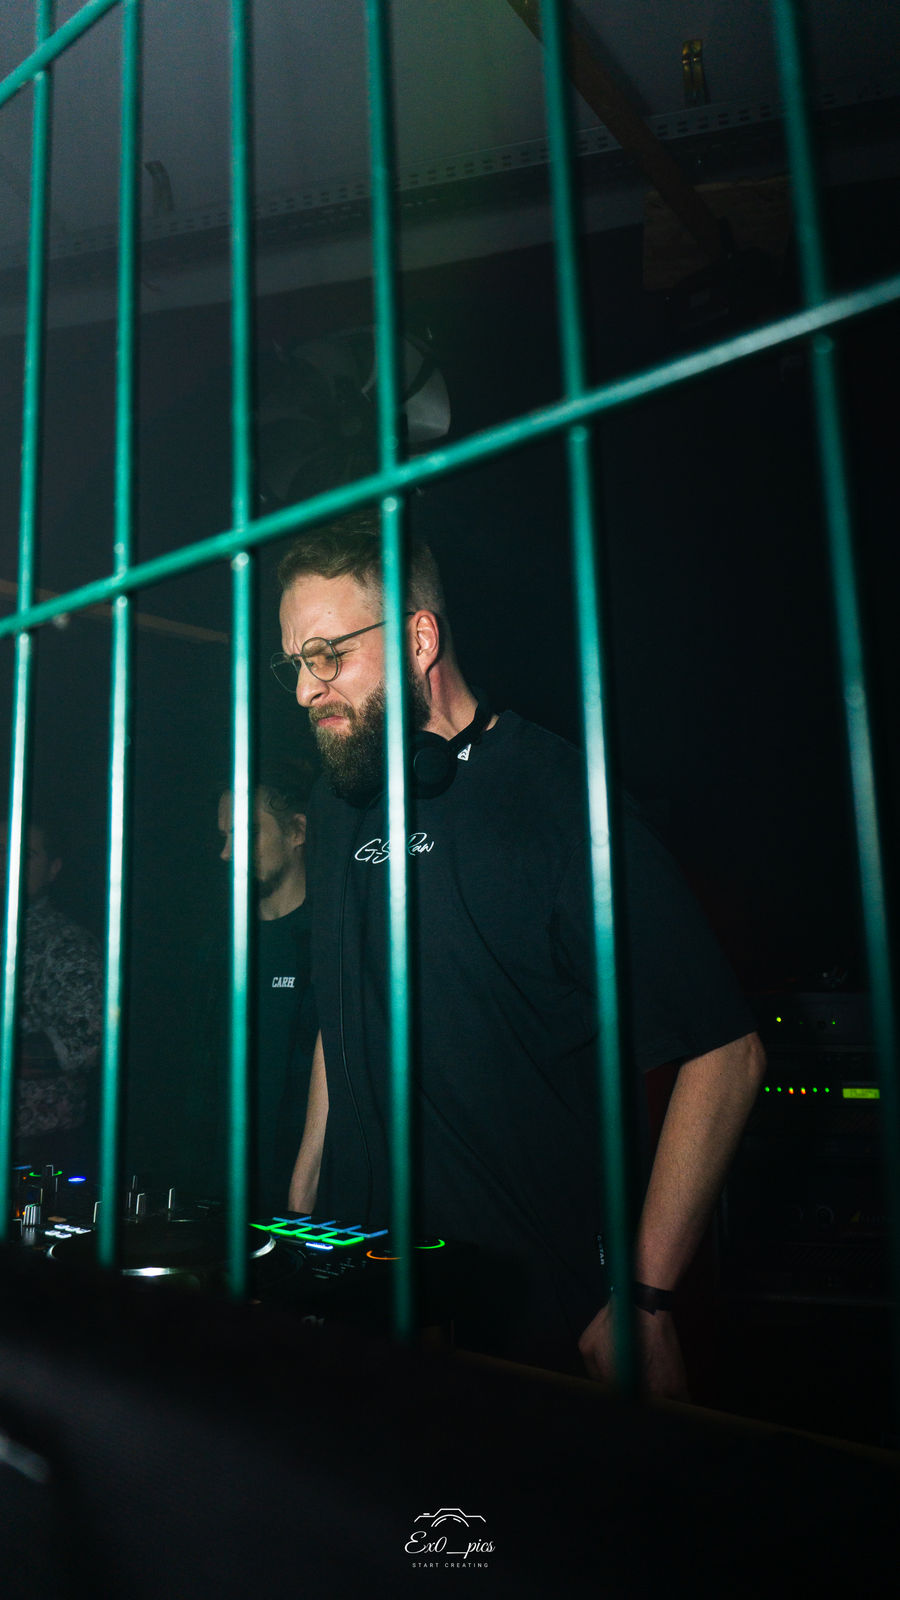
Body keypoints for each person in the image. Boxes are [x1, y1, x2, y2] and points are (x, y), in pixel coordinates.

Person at [276, 510, 766, 1394]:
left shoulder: (556, 798)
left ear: (420, 638)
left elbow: (726, 1053)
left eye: (327, 656)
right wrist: (302, 1198)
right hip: (356, 1302)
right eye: (295, 665)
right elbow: (338, 1010)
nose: (307, 690)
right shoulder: (338, 805)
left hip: (516, 1318)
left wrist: (645, 1300)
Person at [214, 760, 318, 1213]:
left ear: (297, 831)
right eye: (224, 836)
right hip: (222, 1191)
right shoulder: (218, 947)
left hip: (307, 1195)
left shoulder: (329, 943)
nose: (227, 853)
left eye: (245, 833)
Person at [6, 816, 103, 1175]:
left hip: (35, 1153)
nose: (6, 861)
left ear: (53, 868)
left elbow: (84, 1045)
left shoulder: (68, 945)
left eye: (25, 854)